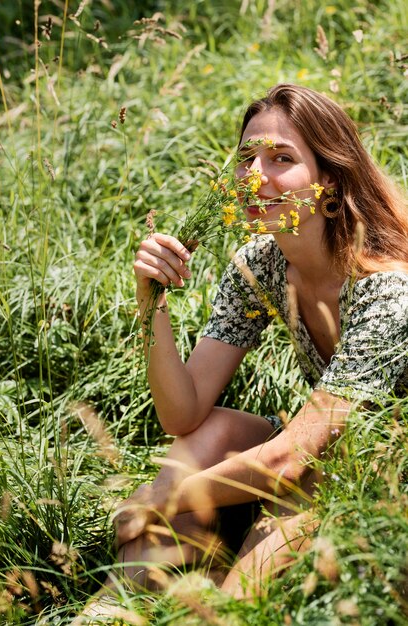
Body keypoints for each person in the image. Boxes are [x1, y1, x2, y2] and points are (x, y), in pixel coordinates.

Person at [81, 84, 408, 617]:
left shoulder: (389, 290)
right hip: (327, 457)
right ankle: (123, 597)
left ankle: (214, 596)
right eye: (247, 157)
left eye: (282, 158)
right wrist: (151, 302)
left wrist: (163, 499)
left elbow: (289, 458)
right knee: (211, 432)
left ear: (330, 177)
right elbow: (182, 412)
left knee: (258, 563)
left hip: (387, 481)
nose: (256, 174)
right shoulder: (261, 265)